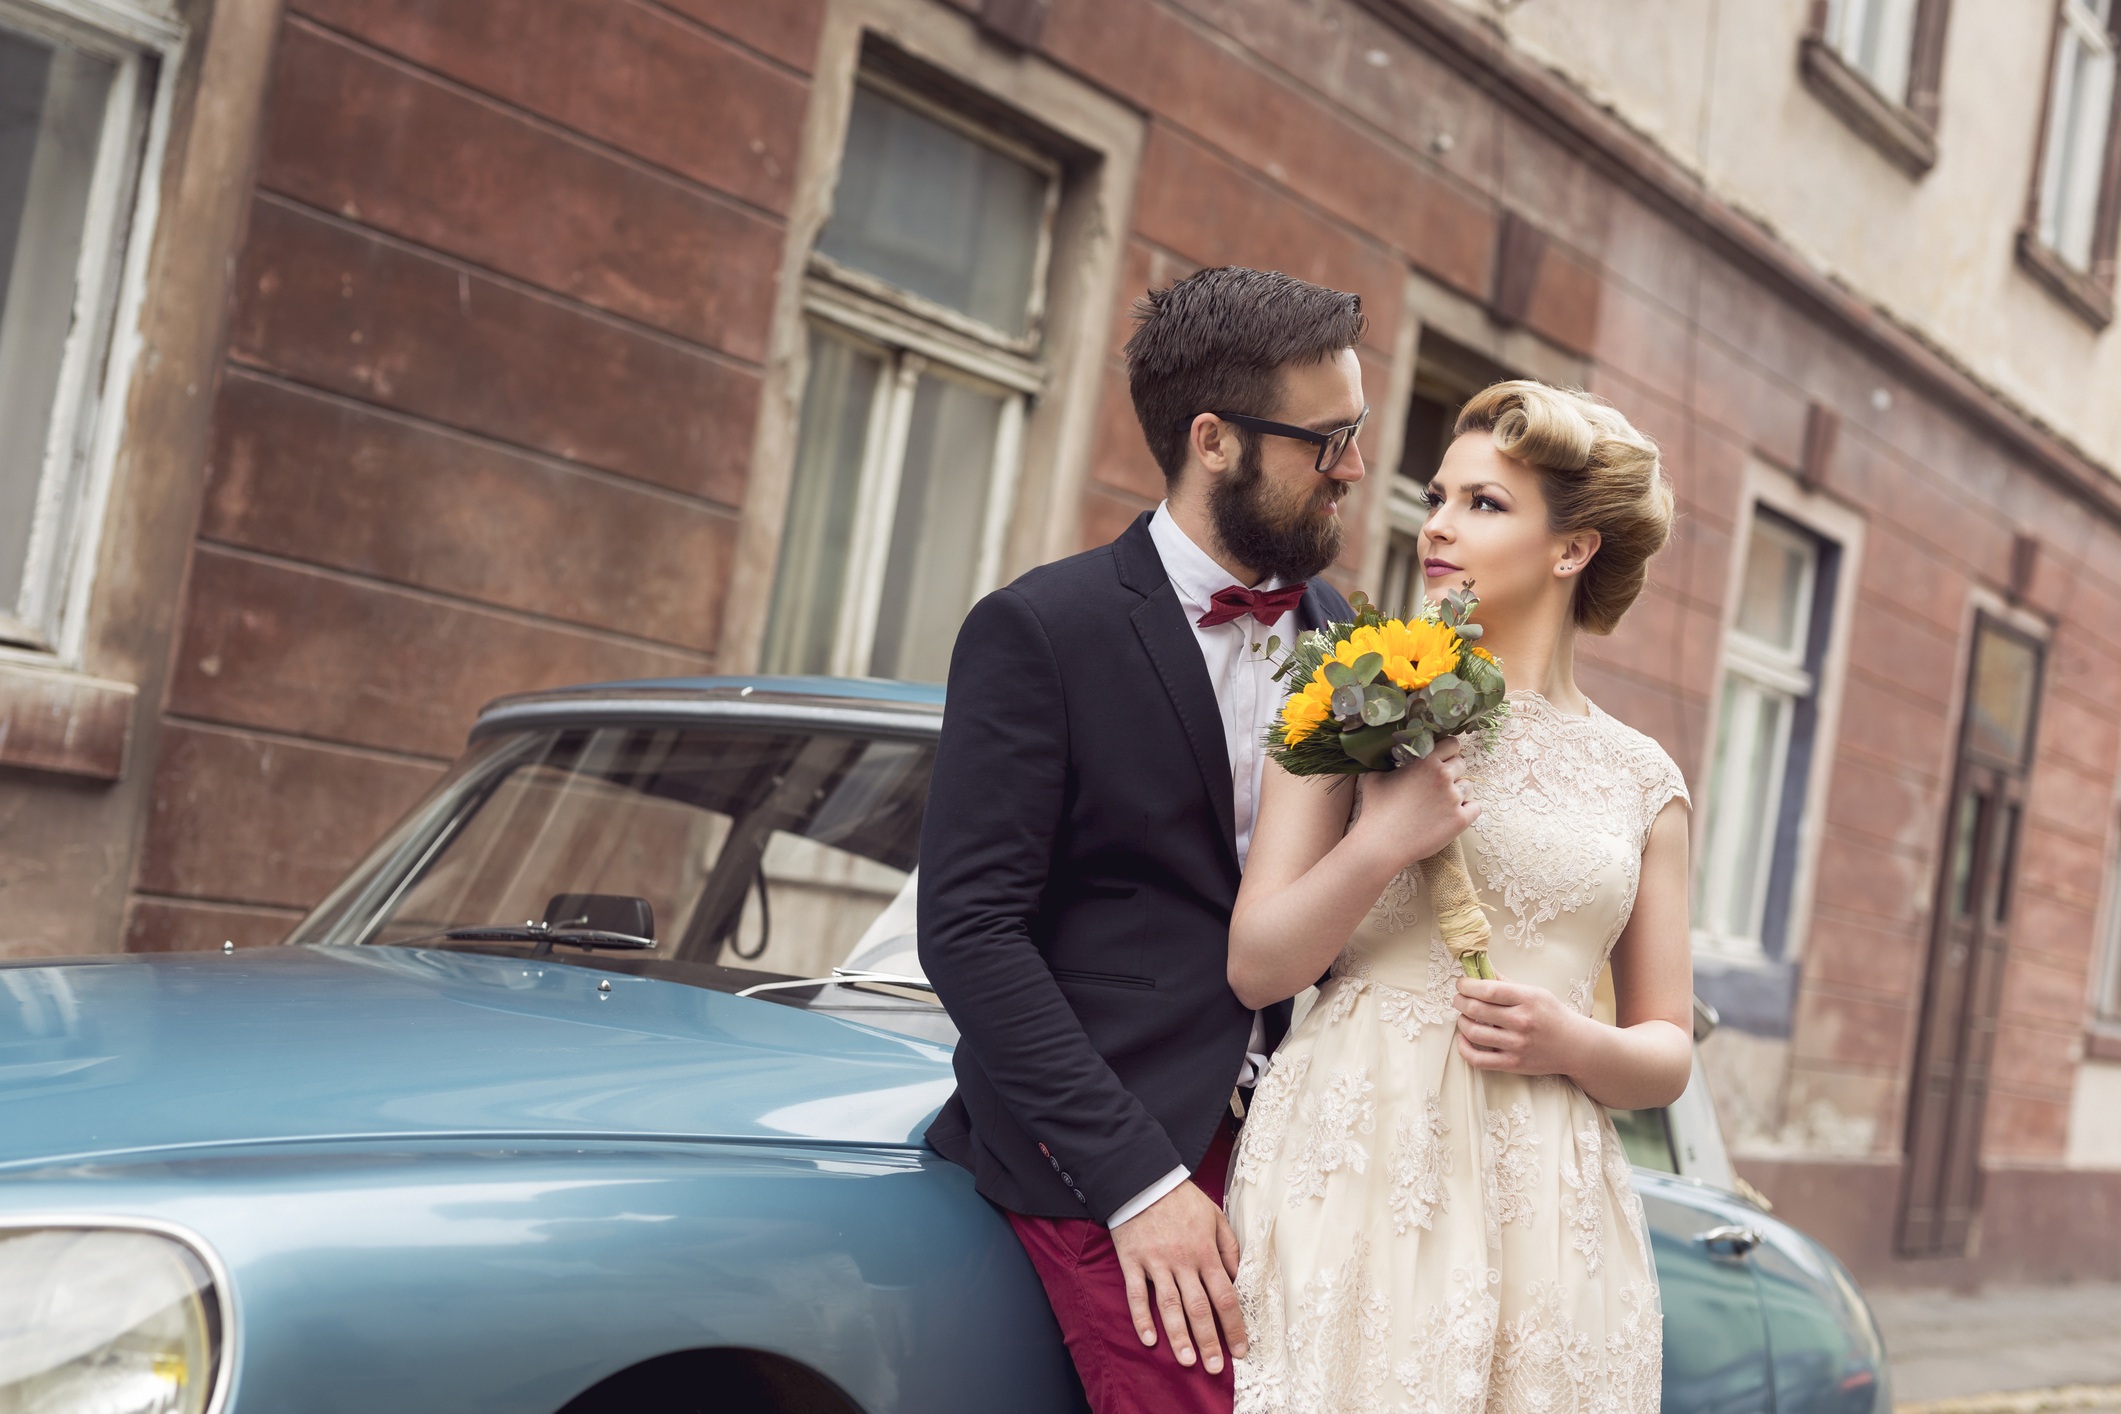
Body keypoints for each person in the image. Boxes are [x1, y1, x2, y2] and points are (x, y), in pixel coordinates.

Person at [917, 266, 1470, 1414]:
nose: (1355, 470)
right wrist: (1139, 1183)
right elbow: (969, 933)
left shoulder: (1348, 639)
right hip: (1103, 1159)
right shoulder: (1041, 630)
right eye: (1327, 441)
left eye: (1358, 432)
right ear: (1214, 441)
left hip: (1303, 1151)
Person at [1222, 381, 1695, 1414]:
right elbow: (1257, 964)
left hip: (1549, 1188)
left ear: (1573, 549)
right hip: (1359, 1151)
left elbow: (1667, 1048)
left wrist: (1575, 1043)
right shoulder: (1346, 695)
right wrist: (1381, 841)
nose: (1436, 523)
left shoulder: (1643, 781)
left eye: (1483, 503)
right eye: (1438, 496)